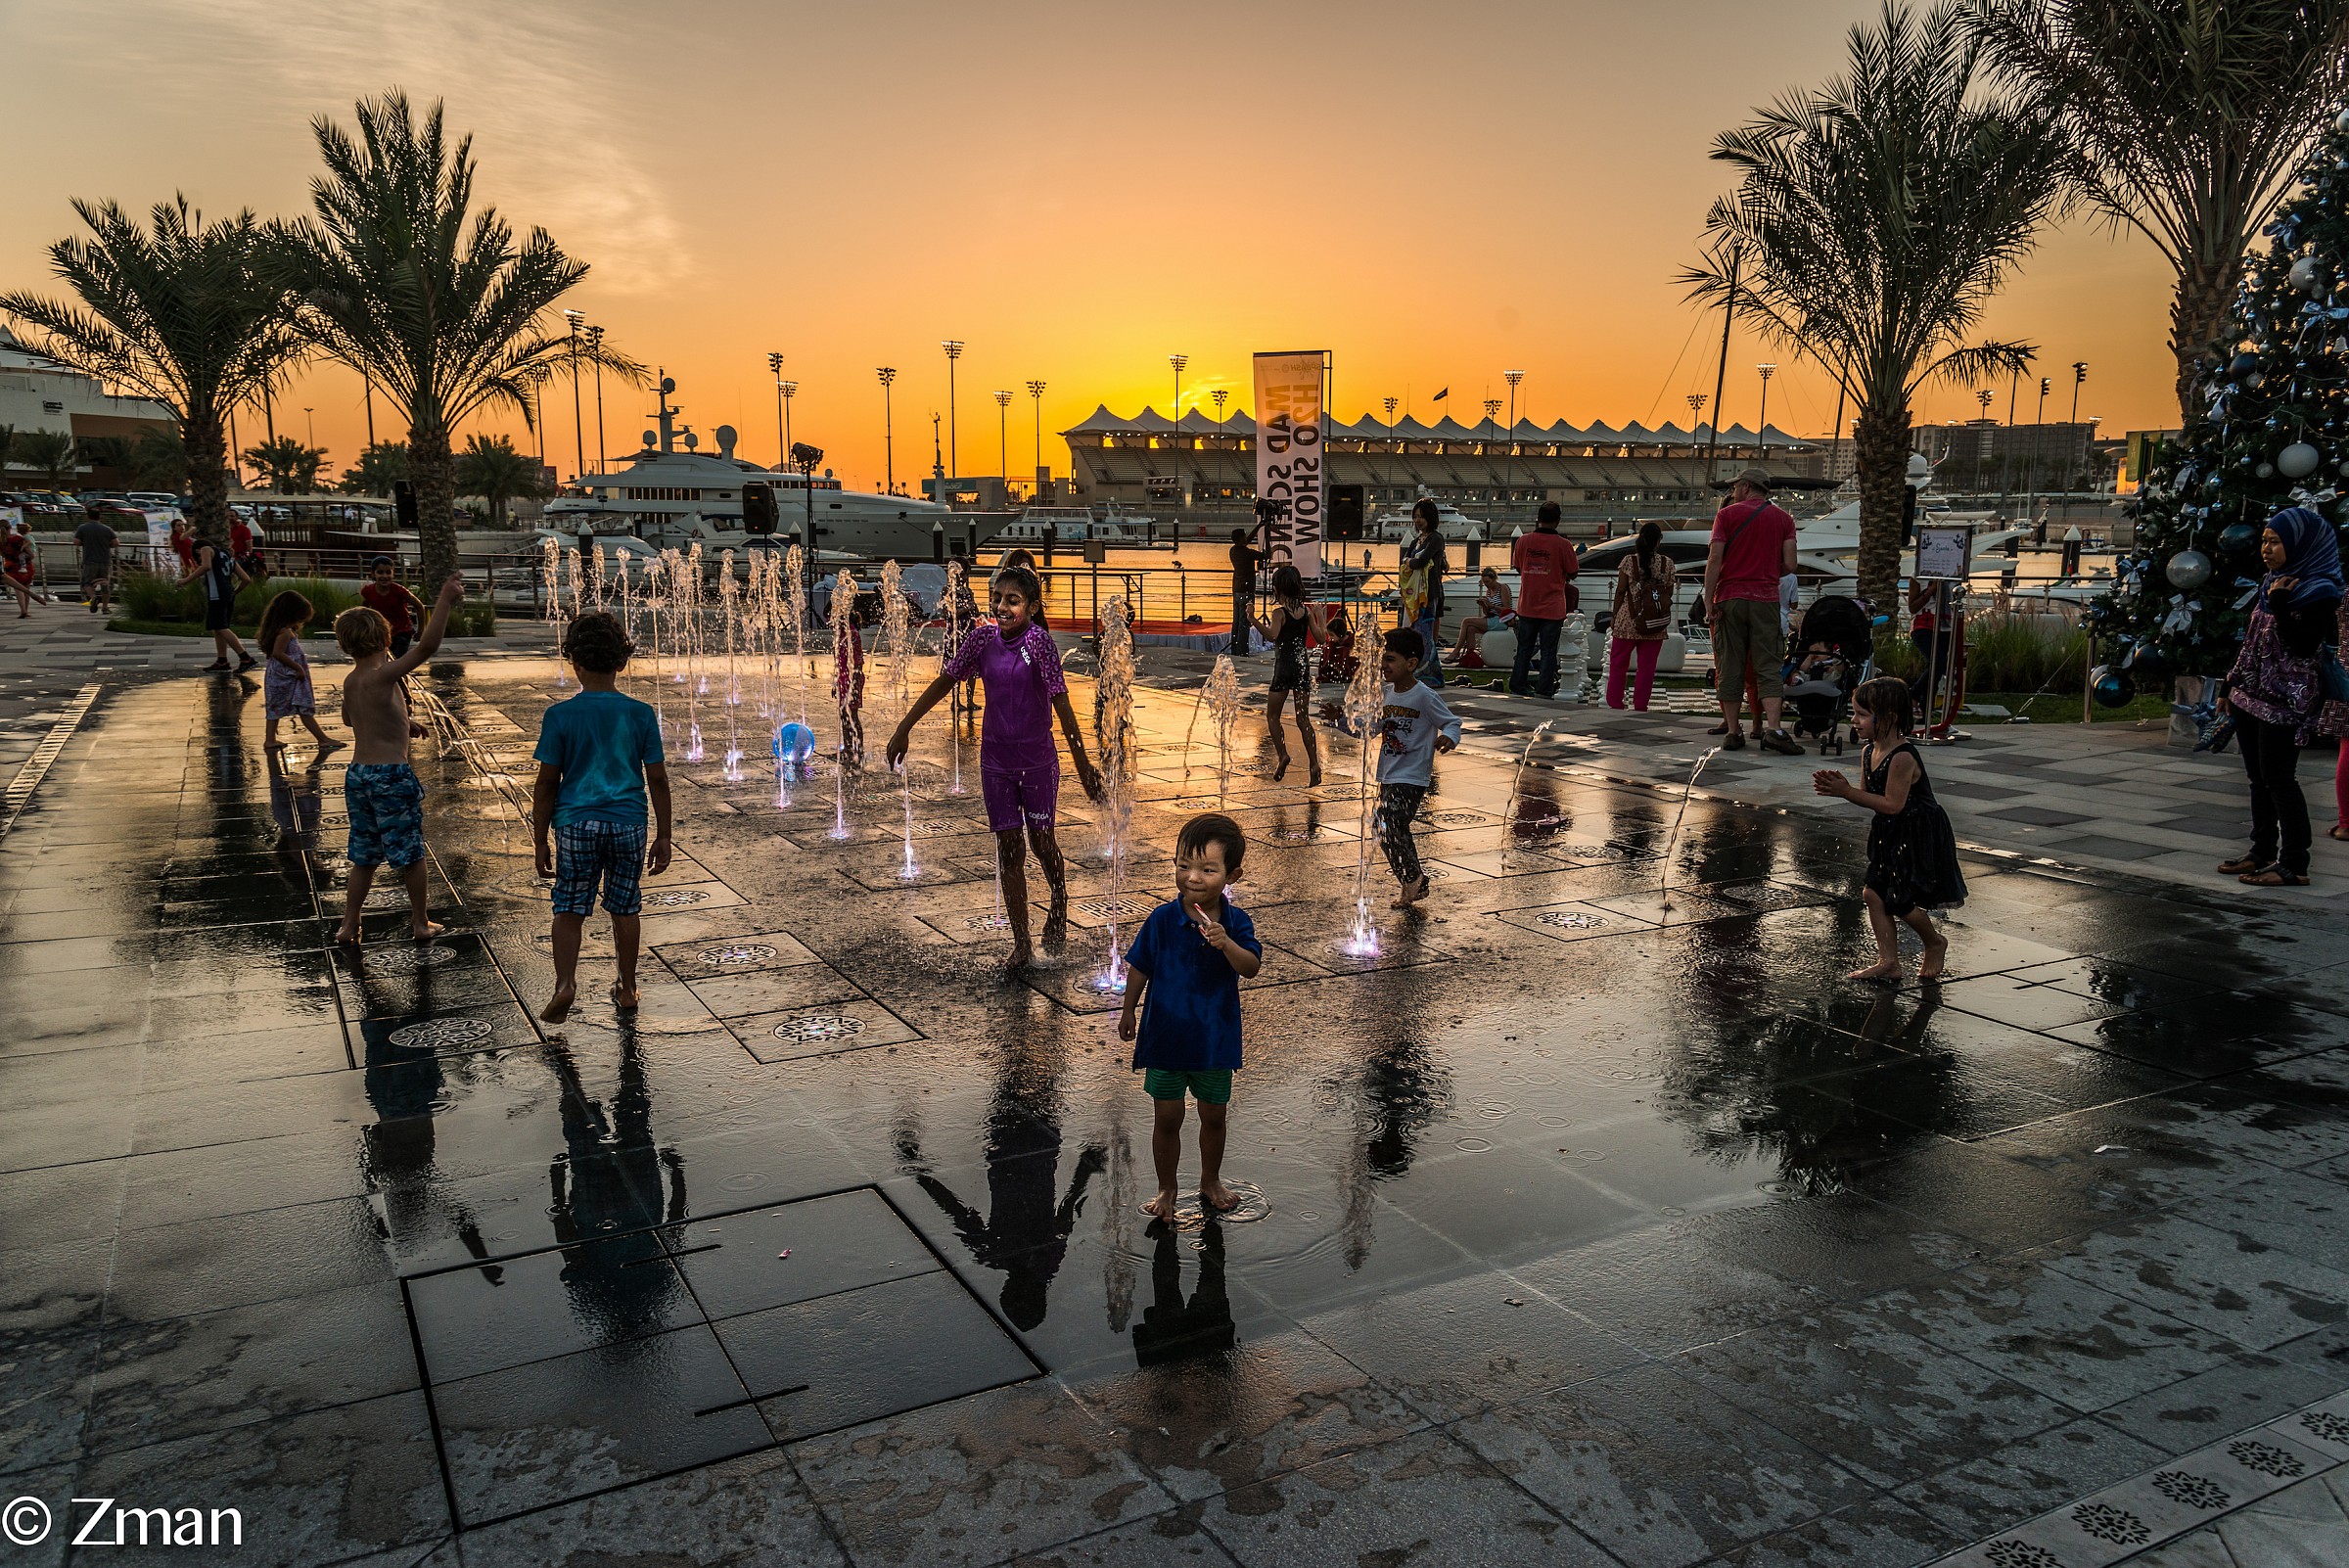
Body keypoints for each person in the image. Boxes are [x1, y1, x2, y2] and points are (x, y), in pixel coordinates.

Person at [887, 563, 1105, 971]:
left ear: (1032, 606)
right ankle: (1021, 943)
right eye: (998, 599)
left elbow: (1062, 705)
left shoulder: (1039, 643)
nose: (1002, 607)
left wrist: (1084, 765)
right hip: (996, 764)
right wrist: (905, 727)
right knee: (1009, 851)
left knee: (1042, 845)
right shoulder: (982, 639)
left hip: (1037, 762)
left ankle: (1059, 898)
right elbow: (944, 681)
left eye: (1013, 601)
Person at [1118, 812, 1263, 1222]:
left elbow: (1250, 966)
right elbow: (1140, 965)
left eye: (1207, 869)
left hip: (1214, 1039)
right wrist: (1129, 1009)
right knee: (1167, 1116)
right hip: (1165, 1035)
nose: (1193, 877)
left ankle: (1210, 1180)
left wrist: (1226, 944)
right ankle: (1166, 1188)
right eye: (1184, 866)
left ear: (1231, 875)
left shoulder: (1236, 922)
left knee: (1213, 1114)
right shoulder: (1163, 920)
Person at [532, 611, 672, 1021]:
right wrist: (664, 835)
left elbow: (546, 784)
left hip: (575, 823)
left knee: (569, 906)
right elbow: (659, 780)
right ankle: (628, 988)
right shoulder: (640, 713)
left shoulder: (559, 716)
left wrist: (540, 838)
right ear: (621, 663)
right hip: (628, 821)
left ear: (573, 662)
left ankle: (565, 984)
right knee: (625, 906)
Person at [331, 574, 467, 945]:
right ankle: (421, 922)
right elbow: (427, 648)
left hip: (358, 775)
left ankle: (348, 925)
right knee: (410, 853)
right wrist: (444, 599)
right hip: (390, 776)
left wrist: (404, 723)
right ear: (386, 638)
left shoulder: (352, 681)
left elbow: (351, 719)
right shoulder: (381, 675)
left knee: (364, 854)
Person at [2221, 506, 2344, 887]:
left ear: (2300, 544)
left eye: (2275, 542)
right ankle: (2260, 851)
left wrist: (2279, 604)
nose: (2266, 549)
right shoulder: (2271, 582)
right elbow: (2254, 642)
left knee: (2280, 779)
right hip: (2250, 695)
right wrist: (2230, 685)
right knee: (2258, 778)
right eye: (2264, 541)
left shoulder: (2320, 589)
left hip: (2286, 702)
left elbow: (2302, 646)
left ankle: (2294, 862)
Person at [1813, 675, 1965, 981]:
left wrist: (1845, 792)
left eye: (1862, 714)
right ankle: (1889, 961)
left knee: (1899, 899)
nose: (1854, 721)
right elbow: (1871, 798)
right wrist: (1843, 790)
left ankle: (1935, 942)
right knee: (1873, 893)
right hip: (1888, 831)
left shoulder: (1903, 756)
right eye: (1855, 713)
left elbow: (1894, 804)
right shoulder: (1869, 751)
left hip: (1916, 833)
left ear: (1890, 717)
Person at [1703, 468, 1803, 754]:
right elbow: (1791, 564)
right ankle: (1774, 729)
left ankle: (1734, 732)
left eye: (1735, 487)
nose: (1733, 492)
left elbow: (1714, 559)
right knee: (1768, 666)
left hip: (1730, 598)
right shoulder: (1784, 519)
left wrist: (1710, 601)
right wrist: (1767, 572)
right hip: (1766, 600)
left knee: (1729, 665)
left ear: (1746, 487)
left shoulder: (1726, 515)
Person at [1363, 625, 1460, 907]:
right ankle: (1411, 882)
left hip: (1413, 775)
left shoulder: (1424, 696)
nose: (1384, 665)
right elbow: (1368, 729)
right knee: (1385, 827)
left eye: (1390, 659)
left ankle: (1414, 879)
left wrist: (1448, 737)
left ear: (1411, 663)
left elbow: (1452, 722)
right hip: (1389, 773)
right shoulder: (1385, 694)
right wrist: (1339, 720)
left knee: (1390, 820)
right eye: (1383, 658)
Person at [255, 589, 343, 756]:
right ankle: (323, 739)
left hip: (279, 676)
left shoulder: (280, 630)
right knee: (304, 706)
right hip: (288, 676)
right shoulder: (285, 633)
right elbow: (278, 653)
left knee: (275, 707)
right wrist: (298, 668)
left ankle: (270, 740)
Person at [1259, 564, 1324, 784]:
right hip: (1302, 666)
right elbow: (1321, 638)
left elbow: (1272, 635)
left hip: (1284, 667)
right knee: (1302, 717)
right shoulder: (1305, 612)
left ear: (1278, 589)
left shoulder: (1280, 613)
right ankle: (1314, 763)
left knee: (1273, 716)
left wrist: (1251, 619)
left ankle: (1283, 754)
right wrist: (1320, 617)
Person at [1509, 501, 1577, 696]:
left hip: (1527, 605)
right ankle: (1544, 689)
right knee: (1548, 651)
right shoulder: (1563, 545)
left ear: (1538, 519)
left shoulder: (1523, 541)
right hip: (1553, 607)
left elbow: (1519, 567)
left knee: (1524, 648)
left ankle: (1517, 685)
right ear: (1558, 521)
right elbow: (1572, 572)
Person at [1606, 520, 1675, 711]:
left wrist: (1614, 614)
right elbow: (1667, 595)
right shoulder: (1667, 563)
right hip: (1655, 622)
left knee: (1618, 664)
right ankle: (1640, 705)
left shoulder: (1629, 561)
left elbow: (1620, 591)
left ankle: (1615, 703)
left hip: (1628, 619)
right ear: (1658, 541)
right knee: (1646, 668)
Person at [181, 530, 253, 670]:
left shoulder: (205, 549)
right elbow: (246, 579)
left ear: (197, 551)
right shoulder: (226, 555)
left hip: (217, 594)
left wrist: (186, 580)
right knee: (218, 627)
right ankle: (222, 660)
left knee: (221, 627)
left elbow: (206, 566)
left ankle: (245, 658)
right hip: (228, 592)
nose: (201, 558)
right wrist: (235, 592)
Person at [1401, 499, 1450, 682]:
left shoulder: (1435, 539)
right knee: (1413, 633)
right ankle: (1423, 670)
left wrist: (1409, 562)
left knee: (1425, 633)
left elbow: (1418, 561)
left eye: (1421, 516)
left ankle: (1429, 673)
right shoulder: (1416, 541)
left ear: (1430, 517)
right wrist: (1409, 562)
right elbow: (1406, 559)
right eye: (1415, 517)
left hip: (1428, 594)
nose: (1418, 520)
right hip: (1413, 594)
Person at [1449, 567, 1514, 669]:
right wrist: (1484, 605)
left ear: (1494, 579)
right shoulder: (1488, 591)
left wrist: (1491, 605)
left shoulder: (1503, 588)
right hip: (1491, 618)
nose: (1486, 584)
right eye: (1484, 582)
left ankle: (1456, 651)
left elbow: (1507, 610)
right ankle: (1470, 657)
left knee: (1466, 621)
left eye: (1487, 581)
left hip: (1502, 620)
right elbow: (1487, 613)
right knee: (1470, 629)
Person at [360, 557, 422, 658]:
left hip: (402, 631)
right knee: (382, 660)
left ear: (393, 573)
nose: (384, 576)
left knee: (396, 659)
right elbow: (364, 610)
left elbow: (419, 606)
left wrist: (421, 631)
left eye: (388, 572)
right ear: (373, 574)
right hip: (382, 632)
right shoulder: (368, 591)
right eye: (380, 572)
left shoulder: (399, 591)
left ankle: (398, 672)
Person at [835, 596, 867, 761]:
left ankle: (859, 749)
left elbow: (858, 663)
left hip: (853, 680)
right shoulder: (841, 634)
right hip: (843, 679)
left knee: (852, 715)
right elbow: (838, 661)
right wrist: (835, 682)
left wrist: (854, 686)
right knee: (843, 715)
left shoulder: (853, 635)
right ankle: (848, 748)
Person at [1227, 528, 1265, 656]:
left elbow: (1246, 542)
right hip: (1247, 591)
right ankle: (1242, 651)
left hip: (1236, 589)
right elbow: (1265, 556)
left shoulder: (1233, 551)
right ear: (1241, 538)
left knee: (1236, 622)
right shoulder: (1247, 553)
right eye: (1244, 536)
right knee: (1245, 623)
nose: (1246, 538)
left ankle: (1235, 649)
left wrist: (1259, 526)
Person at [74, 510, 117, 615]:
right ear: (100, 517)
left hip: (89, 561)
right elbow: (116, 543)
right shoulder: (107, 529)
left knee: (87, 583)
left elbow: (76, 542)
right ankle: (105, 608)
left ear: (88, 517)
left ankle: (93, 598)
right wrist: (107, 545)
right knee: (105, 584)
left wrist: (85, 543)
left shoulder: (82, 528)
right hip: (105, 561)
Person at [0, 521, 43, 618]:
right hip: (25, 566)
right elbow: (31, 555)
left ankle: (22, 610)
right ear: (10, 528)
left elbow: (3, 555)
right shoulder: (17, 539)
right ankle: (26, 611)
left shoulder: (2, 542)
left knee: (18, 589)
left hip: (11, 566)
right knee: (26, 588)